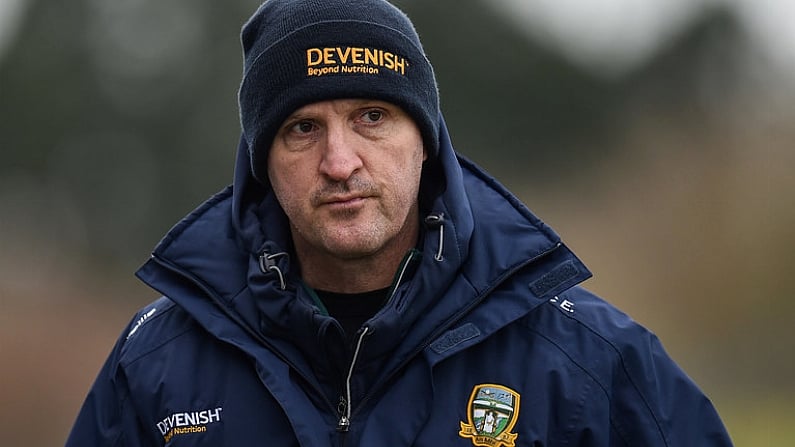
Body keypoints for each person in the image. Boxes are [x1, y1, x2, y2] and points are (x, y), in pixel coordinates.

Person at [66, 0, 734, 445]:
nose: (338, 160)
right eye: (302, 128)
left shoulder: (586, 360)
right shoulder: (153, 369)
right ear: (261, 164)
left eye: (372, 117)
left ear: (427, 141)